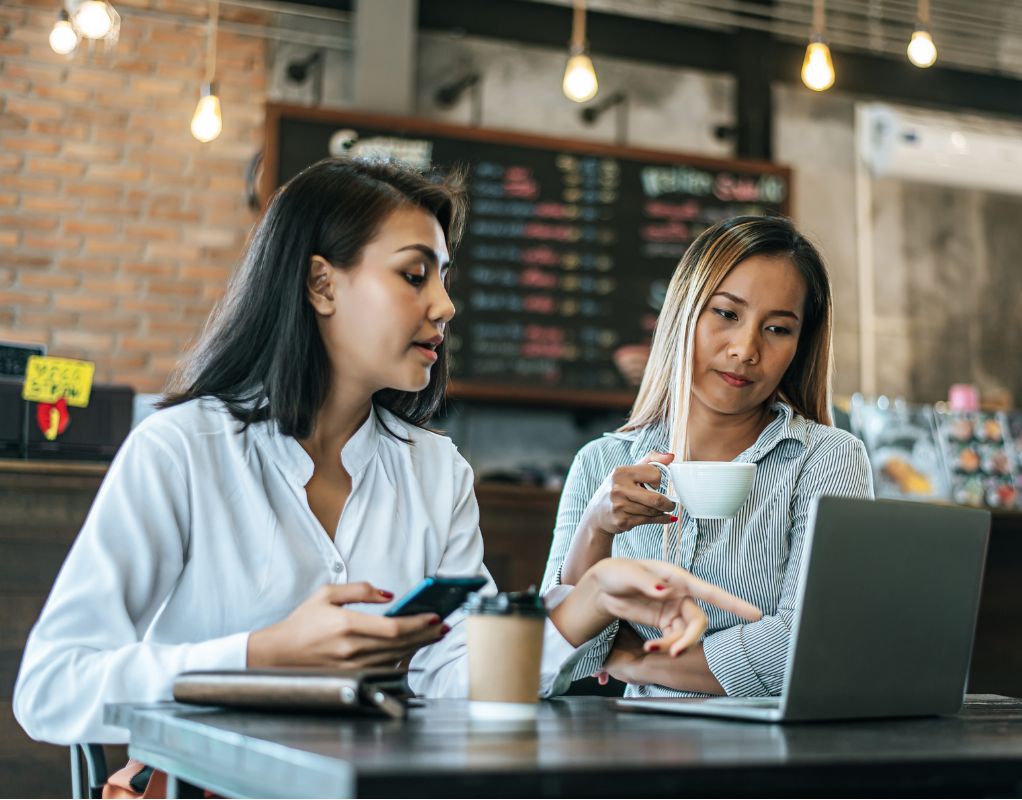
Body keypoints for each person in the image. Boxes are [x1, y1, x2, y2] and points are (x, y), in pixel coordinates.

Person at [13, 158, 761, 747]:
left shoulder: (437, 473)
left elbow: (451, 679)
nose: (445, 304)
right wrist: (263, 655)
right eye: (414, 275)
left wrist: (590, 598)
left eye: (445, 277)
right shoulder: (180, 452)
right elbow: (52, 689)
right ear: (320, 283)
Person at [542, 215, 873, 698]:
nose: (745, 349)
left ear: (799, 347)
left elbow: (812, 648)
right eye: (726, 314)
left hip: (774, 756)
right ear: (684, 314)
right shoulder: (601, 463)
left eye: (778, 328)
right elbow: (557, 663)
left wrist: (638, 662)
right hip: (636, 754)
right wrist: (595, 529)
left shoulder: (827, 459)